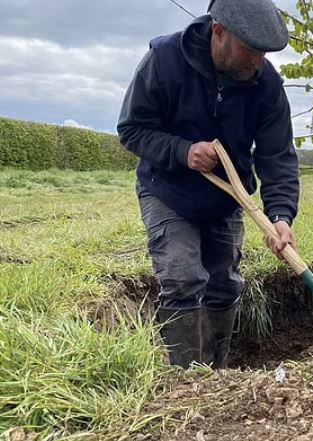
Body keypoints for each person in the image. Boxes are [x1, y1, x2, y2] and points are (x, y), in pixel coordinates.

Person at [117, 0, 299, 368]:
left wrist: (281, 215)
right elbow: (132, 129)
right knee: (183, 277)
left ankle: (217, 372)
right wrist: (183, 151)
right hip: (168, 191)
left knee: (225, 285)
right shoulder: (165, 60)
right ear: (219, 32)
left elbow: (277, 157)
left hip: (226, 199)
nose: (258, 62)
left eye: (265, 52)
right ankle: (186, 377)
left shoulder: (266, 84)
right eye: (251, 50)